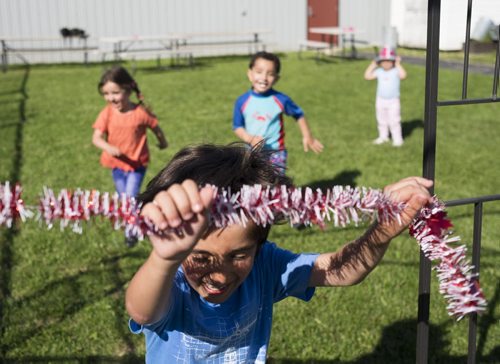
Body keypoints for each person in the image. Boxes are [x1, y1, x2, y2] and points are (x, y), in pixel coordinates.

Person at [125, 142, 433, 363]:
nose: (220, 274)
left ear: (259, 244)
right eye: (202, 258)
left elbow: (340, 270)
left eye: (239, 255)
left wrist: (381, 230)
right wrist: (164, 259)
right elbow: (142, 311)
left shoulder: (265, 266)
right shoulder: (170, 281)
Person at [233, 51, 323, 173]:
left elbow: (298, 114)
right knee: (251, 186)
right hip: (250, 152)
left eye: (270, 74)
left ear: (276, 78)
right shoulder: (242, 101)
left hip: (276, 153)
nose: (264, 78)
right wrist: (250, 138)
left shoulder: (281, 99)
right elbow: (237, 126)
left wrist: (308, 136)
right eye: (259, 72)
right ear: (250, 74)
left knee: (275, 187)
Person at [92, 66, 168, 199]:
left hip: (136, 164)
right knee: (123, 197)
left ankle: (134, 218)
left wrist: (163, 142)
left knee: (130, 197)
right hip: (116, 163)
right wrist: (109, 148)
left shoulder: (141, 113)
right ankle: (129, 218)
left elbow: (156, 128)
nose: (111, 98)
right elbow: (96, 138)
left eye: (115, 93)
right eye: (106, 94)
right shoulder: (107, 113)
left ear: (127, 91)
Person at [364, 46, 407, 147]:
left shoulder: (396, 71)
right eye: (383, 61)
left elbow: (403, 75)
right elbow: (367, 76)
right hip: (380, 100)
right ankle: (383, 136)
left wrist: (398, 64)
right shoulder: (379, 71)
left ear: (393, 61)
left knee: (394, 120)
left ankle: (398, 139)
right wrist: (373, 64)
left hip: (393, 101)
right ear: (380, 62)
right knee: (381, 119)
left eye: (389, 61)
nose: (386, 63)